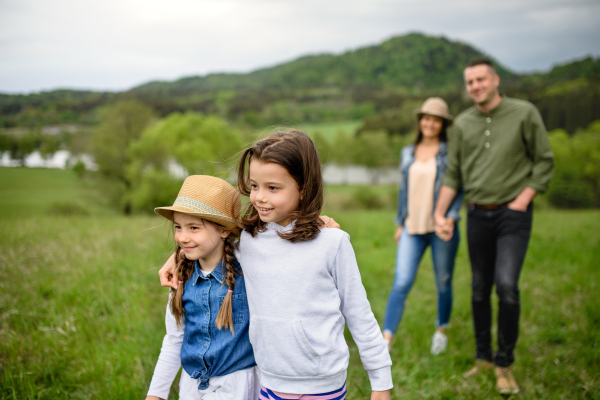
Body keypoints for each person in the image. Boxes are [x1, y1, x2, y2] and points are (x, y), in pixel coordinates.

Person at [160, 130, 392, 400]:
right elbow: (212, 244)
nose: (259, 197)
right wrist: (177, 256)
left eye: (273, 188)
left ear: (303, 188)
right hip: (269, 382)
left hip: (322, 382)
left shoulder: (333, 243)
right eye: (255, 186)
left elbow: (360, 315)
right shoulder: (250, 240)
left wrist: (381, 383)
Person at [434, 59, 554, 395]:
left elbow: (544, 160)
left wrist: (522, 199)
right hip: (476, 214)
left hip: (513, 216)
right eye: (469, 81)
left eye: (480, 79)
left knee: (507, 286)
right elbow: (454, 173)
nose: (475, 86)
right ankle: (483, 357)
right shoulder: (461, 124)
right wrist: (439, 213)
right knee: (478, 287)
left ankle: (505, 363)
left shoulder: (524, 113)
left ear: (495, 79)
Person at [146, 175, 259, 400]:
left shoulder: (247, 266)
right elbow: (174, 339)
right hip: (192, 385)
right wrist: (156, 394)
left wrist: (321, 223)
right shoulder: (181, 276)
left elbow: (280, 237)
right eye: (178, 227)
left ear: (224, 230)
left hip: (235, 385)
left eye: (194, 227)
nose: (183, 237)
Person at [382, 97, 464, 355]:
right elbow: (403, 192)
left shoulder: (449, 153)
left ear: (442, 124)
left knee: (443, 282)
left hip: (441, 229)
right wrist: (399, 223)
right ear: (420, 121)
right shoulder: (407, 152)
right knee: (402, 281)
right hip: (411, 227)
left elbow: (458, 187)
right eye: (426, 118)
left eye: (436, 119)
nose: (430, 123)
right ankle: (386, 339)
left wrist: (451, 216)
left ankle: (441, 331)